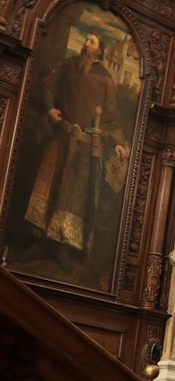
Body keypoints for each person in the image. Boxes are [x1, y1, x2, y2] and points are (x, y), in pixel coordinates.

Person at [24, 31, 129, 270]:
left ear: (99, 51)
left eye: (91, 42)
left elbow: (112, 118)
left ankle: (61, 248)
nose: (85, 44)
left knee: (73, 198)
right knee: (47, 187)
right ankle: (37, 241)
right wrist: (50, 109)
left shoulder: (105, 79)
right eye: (86, 39)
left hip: (84, 147)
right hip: (60, 137)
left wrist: (119, 142)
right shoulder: (69, 64)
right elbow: (50, 86)